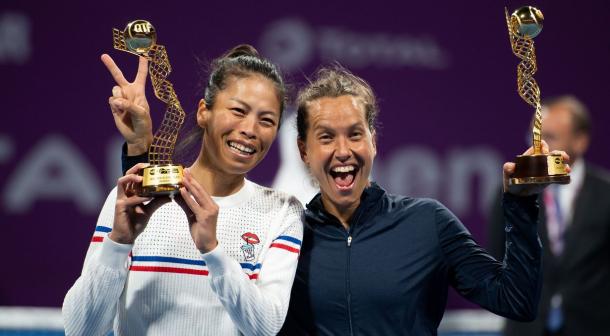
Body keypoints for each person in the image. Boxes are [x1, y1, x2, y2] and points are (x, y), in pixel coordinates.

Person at [278, 66, 570, 335]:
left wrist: (520, 205)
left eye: (355, 135)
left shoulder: (427, 222)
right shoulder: (285, 235)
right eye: (326, 137)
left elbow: (517, 301)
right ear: (304, 151)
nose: (343, 150)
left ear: (374, 143)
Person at [63, 45, 304, 336]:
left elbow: (265, 327)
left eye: (267, 120)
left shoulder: (282, 211)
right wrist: (119, 243)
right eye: (238, 111)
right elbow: (79, 330)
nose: (250, 129)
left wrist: (212, 251)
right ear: (204, 112)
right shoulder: (135, 198)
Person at [487, 96, 610, 336]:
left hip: (593, 327)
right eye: (535, 138)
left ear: (580, 140)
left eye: (551, 137)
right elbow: (496, 257)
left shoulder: (606, 195)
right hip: (527, 328)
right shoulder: (513, 192)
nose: (540, 147)